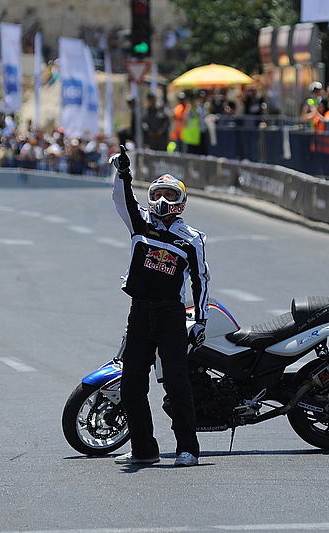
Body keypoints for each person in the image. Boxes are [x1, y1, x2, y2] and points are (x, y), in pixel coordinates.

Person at [110, 145, 209, 467]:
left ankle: (188, 449)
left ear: (181, 202)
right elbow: (121, 200)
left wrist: (200, 320)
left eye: (170, 194)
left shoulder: (192, 238)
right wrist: (123, 173)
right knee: (131, 383)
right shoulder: (140, 224)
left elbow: (201, 280)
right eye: (158, 194)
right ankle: (144, 448)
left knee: (177, 383)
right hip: (139, 312)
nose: (163, 200)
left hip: (170, 315)